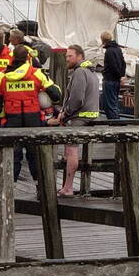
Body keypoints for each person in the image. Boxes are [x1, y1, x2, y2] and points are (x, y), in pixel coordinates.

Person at [0, 45, 62, 183]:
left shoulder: (2, 76)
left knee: (12, 153)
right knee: (35, 154)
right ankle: (39, 186)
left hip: (12, 120)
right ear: (27, 58)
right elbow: (56, 95)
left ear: (12, 58)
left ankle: (9, 186)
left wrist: (1, 116)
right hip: (33, 120)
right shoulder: (37, 73)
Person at [51, 45, 100, 196]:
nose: (67, 59)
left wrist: (65, 113)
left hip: (79, 117)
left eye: (70, 56)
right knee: (69, 150)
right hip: (90, 116)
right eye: (66, 56)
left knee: (71, 150)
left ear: (80, 56)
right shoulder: (91, 72)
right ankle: (69, 185)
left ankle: (68, 187)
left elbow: (77, 98)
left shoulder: (79, 72)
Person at [100, 30, 125, 120]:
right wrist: (121, 76)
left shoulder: (109, 51)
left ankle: (115, 124)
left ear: (103, 40)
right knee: (114, 104)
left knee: (109, 105)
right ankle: (117, 122)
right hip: (116, 81)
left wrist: (105, 72)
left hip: (109, 80)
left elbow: (113, 65)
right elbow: (123, 63)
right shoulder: (118, 49)